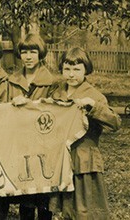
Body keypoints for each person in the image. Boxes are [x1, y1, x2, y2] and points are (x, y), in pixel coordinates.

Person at [50, 47, 120, 220]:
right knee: (65, 208)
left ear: (86, 70)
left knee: (85, 209)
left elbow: (115, 122)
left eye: (76, 69)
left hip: (84, 159)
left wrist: (94, 107)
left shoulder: (94, 95)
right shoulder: (57, 92)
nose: (71, 74)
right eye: (67, 69)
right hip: (61, 158)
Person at [0, 33, 59, 220]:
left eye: (33, 51)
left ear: (41, 54)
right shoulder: (11, 80)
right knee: (26, 196)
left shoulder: (52, 81)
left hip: (44, 143)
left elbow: (55, 111)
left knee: (44, 197)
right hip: (20, 142)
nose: (28, 56)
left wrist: (31, 105)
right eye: (24, 52)